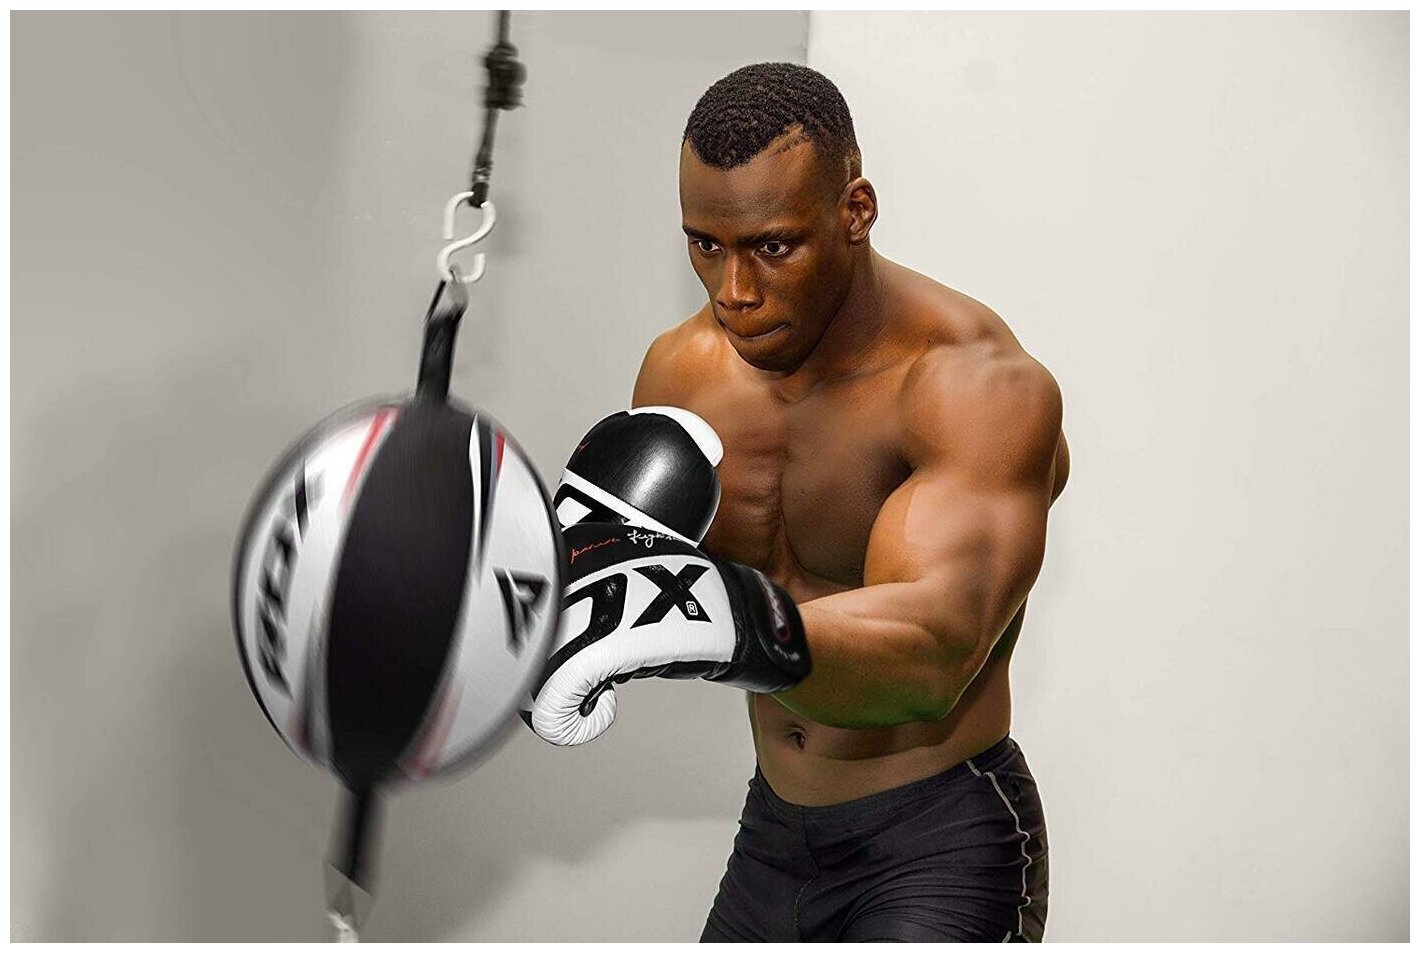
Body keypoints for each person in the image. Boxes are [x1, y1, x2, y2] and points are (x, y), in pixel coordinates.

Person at [533, 62, 1069, 942]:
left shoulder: (972, 385)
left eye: (773, 247)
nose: (735, 293)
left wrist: (711, 618)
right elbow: (615, 579)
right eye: (706, 246)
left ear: (855, 211)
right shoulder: (681, 374)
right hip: (774, 837)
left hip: (938, 841)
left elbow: (937, 648)